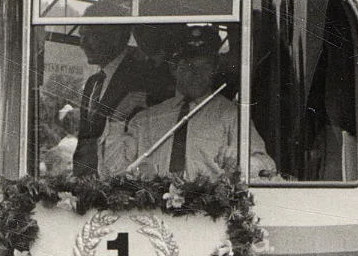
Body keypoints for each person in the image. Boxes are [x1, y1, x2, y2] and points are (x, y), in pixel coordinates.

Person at [102, 37, 277, 180]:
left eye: (205, 66)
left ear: (214, 70)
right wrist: (118, 119)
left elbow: (267, 166)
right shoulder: (147, 118)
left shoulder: (231, 115)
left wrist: (242, 161)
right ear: (173, 68)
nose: (197, 74)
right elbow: (113, 171)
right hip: (153, 208)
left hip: (209, 210)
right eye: (188, 65)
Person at [71, 28, 168, 179]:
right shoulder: (93, 82)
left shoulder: (143, 75)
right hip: (89, 182)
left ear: (115, 37)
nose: (82, 44)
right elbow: (86, 139)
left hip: (123, 180)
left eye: (90, 35)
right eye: (81, 36)